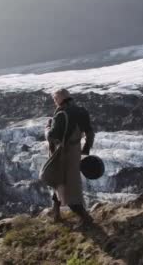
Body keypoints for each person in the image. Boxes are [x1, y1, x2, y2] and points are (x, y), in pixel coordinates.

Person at [45, 88, 95, 225]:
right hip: (75, 150)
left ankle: (85, 218)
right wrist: (86, 148)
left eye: (55, 99)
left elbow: (52, 136)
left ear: (61, 98)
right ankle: (56, 214)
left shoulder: (61, 114)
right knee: (63, 181)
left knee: (66, 184)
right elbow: (90, 133)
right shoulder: (81, 111)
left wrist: (47, 128)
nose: (54, 102)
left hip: (63, 153)